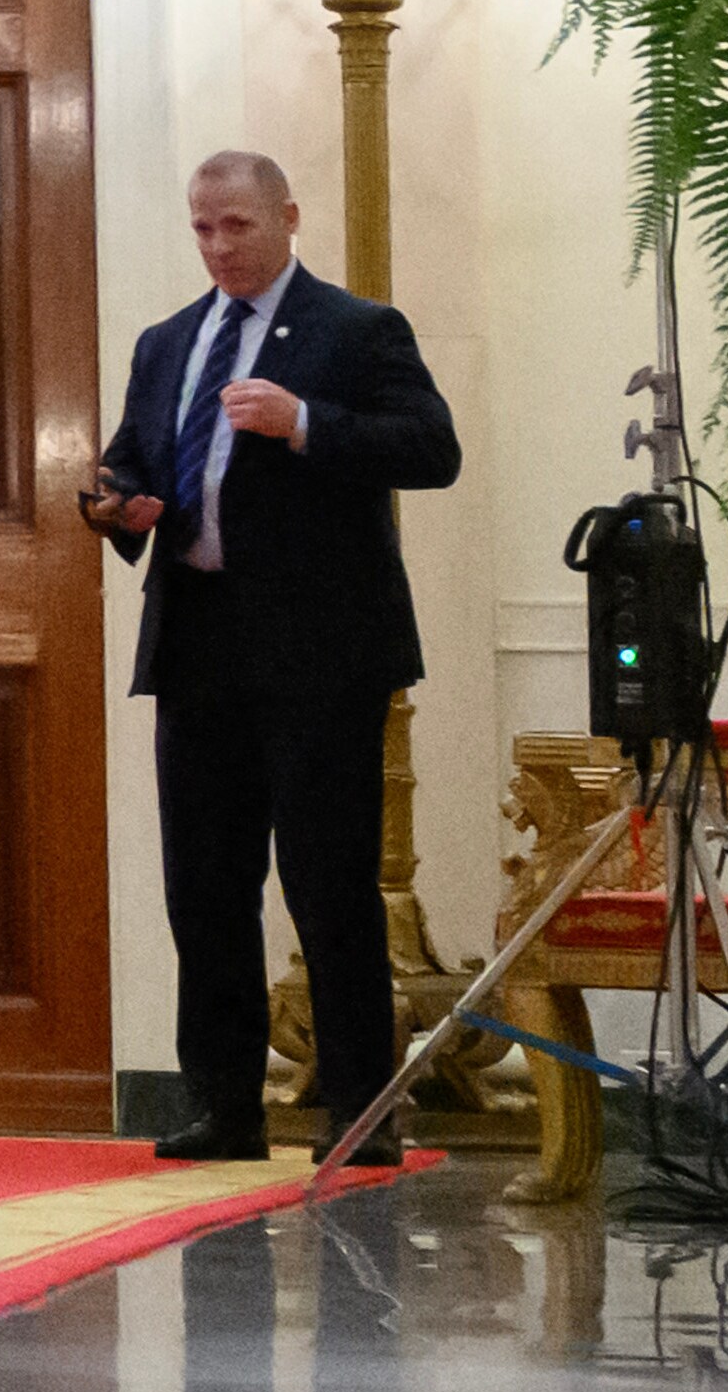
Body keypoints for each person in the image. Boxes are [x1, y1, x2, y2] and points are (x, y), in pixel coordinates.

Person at [89, 148, 460, 1163]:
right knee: (202, 883)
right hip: (198, 639)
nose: (219, 246)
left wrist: (304, 423)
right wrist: (116, 502)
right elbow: (131, 453)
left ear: (287, 216)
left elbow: (431, 448)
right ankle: (223, 1102)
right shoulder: (169, 340)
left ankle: (356, 1108)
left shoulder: (356, 328)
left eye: (238, 225)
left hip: (321, 649)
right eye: (203, 227)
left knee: (327, 879)